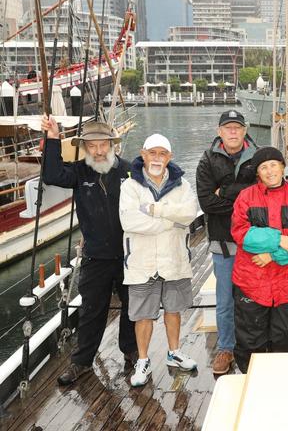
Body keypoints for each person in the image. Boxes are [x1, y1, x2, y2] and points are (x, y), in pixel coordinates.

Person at [40, 116, 137, 385]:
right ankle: (81, 362)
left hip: (129, 256)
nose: (97, 150)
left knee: (132, 309)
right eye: (91, 145)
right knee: (91, 312)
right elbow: (51, 174)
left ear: (111, 145)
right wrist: (52, 138)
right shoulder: (80, 172)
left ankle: (131, 352)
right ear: (85, 148)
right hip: (95, 257)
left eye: (102, 144)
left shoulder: (130, 172)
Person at [119, 134, 199, 387]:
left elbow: (189, 214)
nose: (157, 158)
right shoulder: (130, 186)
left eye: (162, 154)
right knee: (143, 314)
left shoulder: (182, 185)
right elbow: (129, 221)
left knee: (173, 310)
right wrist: (169, 221)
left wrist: (156, 211)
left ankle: (174, 352)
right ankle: (142, 359)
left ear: (169, 157)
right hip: (142, 261)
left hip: (173, 258)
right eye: (152, 153)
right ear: (143, 154)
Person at [230, 147, 288, 373]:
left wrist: (272, 255)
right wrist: (279, 239)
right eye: (263, 167)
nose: (269, 171)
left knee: (286, 337)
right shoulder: (246, 197)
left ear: (283, 167)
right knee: (250, 341)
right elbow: (240, 234)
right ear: (257, 172)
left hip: (287, 283)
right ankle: (251, 381)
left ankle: (283, 384)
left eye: (274, 165)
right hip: (251, 283)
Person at [195, 110, 257, 375]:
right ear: (219, 132)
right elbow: (207, 202)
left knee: (254, 296)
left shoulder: (258, 157)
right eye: (227, 128)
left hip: (253, 241)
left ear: (244, 131)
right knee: (225, 299)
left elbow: (262, 197)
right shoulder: (207, 161)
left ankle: (253, 345)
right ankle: (226, 348)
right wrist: (245, 198)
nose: (233, 132)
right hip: (223, 241)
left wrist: (228, 192)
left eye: (237, 127)